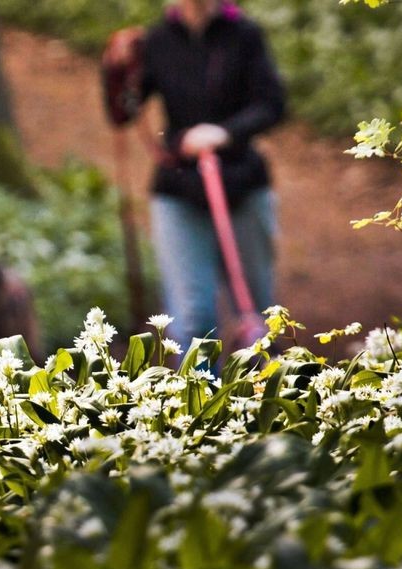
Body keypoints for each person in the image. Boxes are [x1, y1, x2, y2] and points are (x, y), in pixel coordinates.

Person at [102, 0, 286, 354]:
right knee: (192, 319)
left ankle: (269, 398)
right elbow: (122, 113)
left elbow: (272, 104)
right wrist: (115, 71)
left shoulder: (245, 35)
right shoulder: (156, 42)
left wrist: (223, 133)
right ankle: (199, 404)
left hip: (242, 184)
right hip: (179, 190)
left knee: (261, 317)